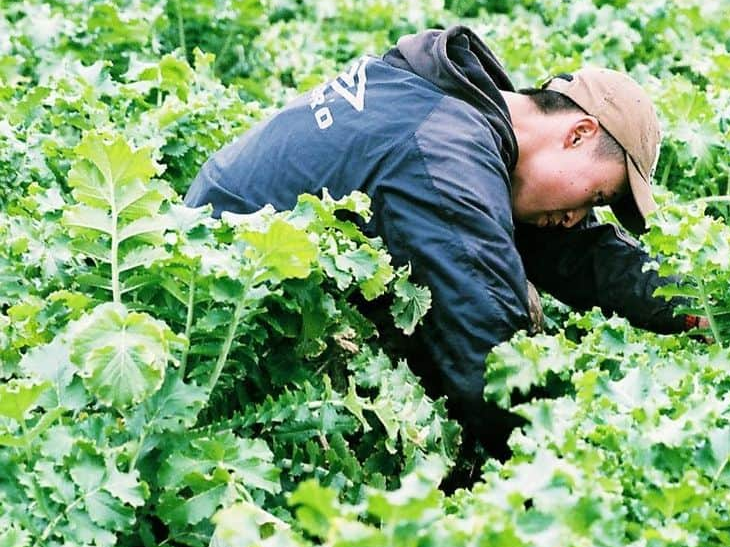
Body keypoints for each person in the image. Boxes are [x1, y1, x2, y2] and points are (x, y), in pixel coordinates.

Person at [185, 25, 698, 451]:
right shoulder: (446, 149)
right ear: (578, 133)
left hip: (219, 252)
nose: (578, 216)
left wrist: (698, 304)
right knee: (510, 308)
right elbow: (488, 352)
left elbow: (576, 252)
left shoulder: (455, 103)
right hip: (222, 324)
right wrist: (569, 462)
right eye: (597, 198)